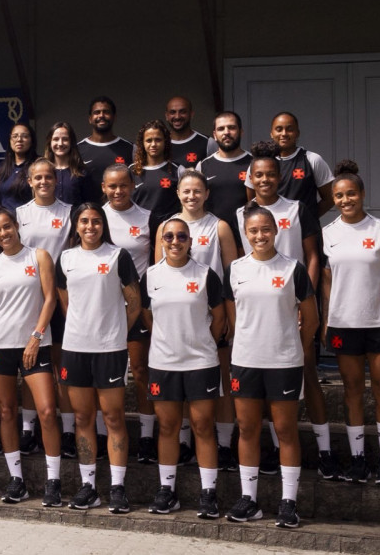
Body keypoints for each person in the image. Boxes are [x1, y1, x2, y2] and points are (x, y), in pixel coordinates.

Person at [236, 142, 337, 479]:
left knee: (307, 374)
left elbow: (312, 255)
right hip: (261, 312)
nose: (264, 180)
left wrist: (300, 299)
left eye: (270, 174)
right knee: (261, 389)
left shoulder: (297, 209)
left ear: (279, 177)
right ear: (250, 178)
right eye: (258, 175)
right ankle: (273, 452)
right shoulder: (241, 214)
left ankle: (325, 451)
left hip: (293, 302)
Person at [224, 205, 317, 529]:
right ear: (245, 234)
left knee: (285, 430)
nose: (260, 236)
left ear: (276, 230)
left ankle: (288, 502)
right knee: (247, 429)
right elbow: (234, 317)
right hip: (246, 361)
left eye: (265, 229)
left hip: (283, 362)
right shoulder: (235, 269)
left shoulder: (293, 269)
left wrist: (293, 349)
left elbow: (312, 319)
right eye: (253, 231)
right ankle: (249, 499)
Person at [321, 160, 380, 485]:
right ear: (334, 199)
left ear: (362, 194)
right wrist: (327, 319)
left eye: (351, 194)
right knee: (352, 391)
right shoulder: (327, 234)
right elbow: (327, 282)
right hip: (344, 325)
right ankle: (358, 460)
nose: (346, 200)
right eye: (339, 196)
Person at [55, 203, 141, 513]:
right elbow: (66, 302)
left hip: (110, 351)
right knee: (82, 418)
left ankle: (118, 487)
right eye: (84, 221)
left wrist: (115, 332)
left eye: (95, 221)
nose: (90, 226)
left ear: (103, 225)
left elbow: (134, 302)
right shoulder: (65, 258)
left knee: (114, 417)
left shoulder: (118, 256)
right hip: (76, 348)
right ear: (75, 226)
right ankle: (88, 485)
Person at [154, 170, 239, 470]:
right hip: (176, 322)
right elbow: (157, 274)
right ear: (178, 193)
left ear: (207, 194)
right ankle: (185, 442)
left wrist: (228, 316)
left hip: (212, 316)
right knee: (183, 387)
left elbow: (232, 274)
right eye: (186, 191)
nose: (192, 196)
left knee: (222, 382)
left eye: (197, 191)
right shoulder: (166, 227)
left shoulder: (220, 227)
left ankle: (226, 443)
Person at [141, 218, 225, 519]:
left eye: (181, 236)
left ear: (191, 241)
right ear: (161, 241)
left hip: (200, 363)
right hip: (163, 363)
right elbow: (147, 316)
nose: (175, 241)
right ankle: (167, 490)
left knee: (203, 427)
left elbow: (220, 319)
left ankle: (208, 493)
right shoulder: (150, 276)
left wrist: (200, 343)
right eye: (169, 236)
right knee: (168, 428)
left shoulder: (205, 275)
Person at [0, 207, 63, 506]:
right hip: (0, 346)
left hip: (36, 345)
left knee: (46, 410)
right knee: (6, 411)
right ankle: (16, 480)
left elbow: (51, 298)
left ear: (16, 226)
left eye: (7, 226)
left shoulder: (38, 256)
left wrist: (36, 336)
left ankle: (53, 480)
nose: (4, 233)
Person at [16, 158, 76, 457]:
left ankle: (66, 430)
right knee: (32, 366)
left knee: (59, 367)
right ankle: (29, 429)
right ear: (29, 181)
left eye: (48, 177)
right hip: (30, 300)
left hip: (61, 297)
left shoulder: (68, 212)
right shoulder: (20, 214)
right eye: (37, 177)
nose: (43, 182)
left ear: (57, 180)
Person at [102, 164, 156, 465]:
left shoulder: (147, 217)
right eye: (112, 186)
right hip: (102, 309)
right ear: (103, 187)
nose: (118, 191)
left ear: (133, 185)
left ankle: (147, 437)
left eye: (123, 185)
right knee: (102, 377)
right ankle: (102, 433)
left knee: (139, 371)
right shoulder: (93, 218)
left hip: (136, 308)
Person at [248, 112, 334, 216]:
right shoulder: (259, 163)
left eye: (290, 129)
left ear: (297, 133)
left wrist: (308, 219)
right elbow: (252, 199)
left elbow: (330, 198)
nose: (284, 133)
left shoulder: (312, 159)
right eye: (279, 129)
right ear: (271, 133)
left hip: (304, 231)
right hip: (269, 229)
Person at [195, 111, 252, 235]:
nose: (226, 132)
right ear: (215, 135)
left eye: (231, 127)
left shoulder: (254, 163)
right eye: (221, 129)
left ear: (241, 131)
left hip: (246, 234)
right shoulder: (203, 166)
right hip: (212, 234)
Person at [130, 119, 181, 238]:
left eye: (158, 139)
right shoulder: (131, 171)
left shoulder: (178, 170)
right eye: (148, 140)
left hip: (168, 234)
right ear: (142, 143)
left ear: (165, 142)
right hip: (139, 232)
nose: (153, 144)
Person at [77, 96, 135, 183]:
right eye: (97, 112)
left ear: (114, 117)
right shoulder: (77, 150)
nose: (101, 115)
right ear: (90, 119)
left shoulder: (130, 148)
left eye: (106, 112)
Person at [45, 122, 96, 205]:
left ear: (71, 142)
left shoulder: (82, 172)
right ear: (49, 142)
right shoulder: (43, 172)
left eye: (65, 139)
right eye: (56, 139)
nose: (60, 143)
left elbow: (89, 204)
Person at [0, 123, 37, 209]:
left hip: (29, 219)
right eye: (15, 136)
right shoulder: (3, 167)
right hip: (5, 219)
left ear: (31, 140)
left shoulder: (38, 165)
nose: (19, 139)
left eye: (25, 136)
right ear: (10, 140)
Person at [165, 96, 210, 170]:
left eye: (182, 112)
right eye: (172, 112)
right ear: (166, 116)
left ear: (191, 114)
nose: (177, 117)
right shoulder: (159, 143)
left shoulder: (207, 142)